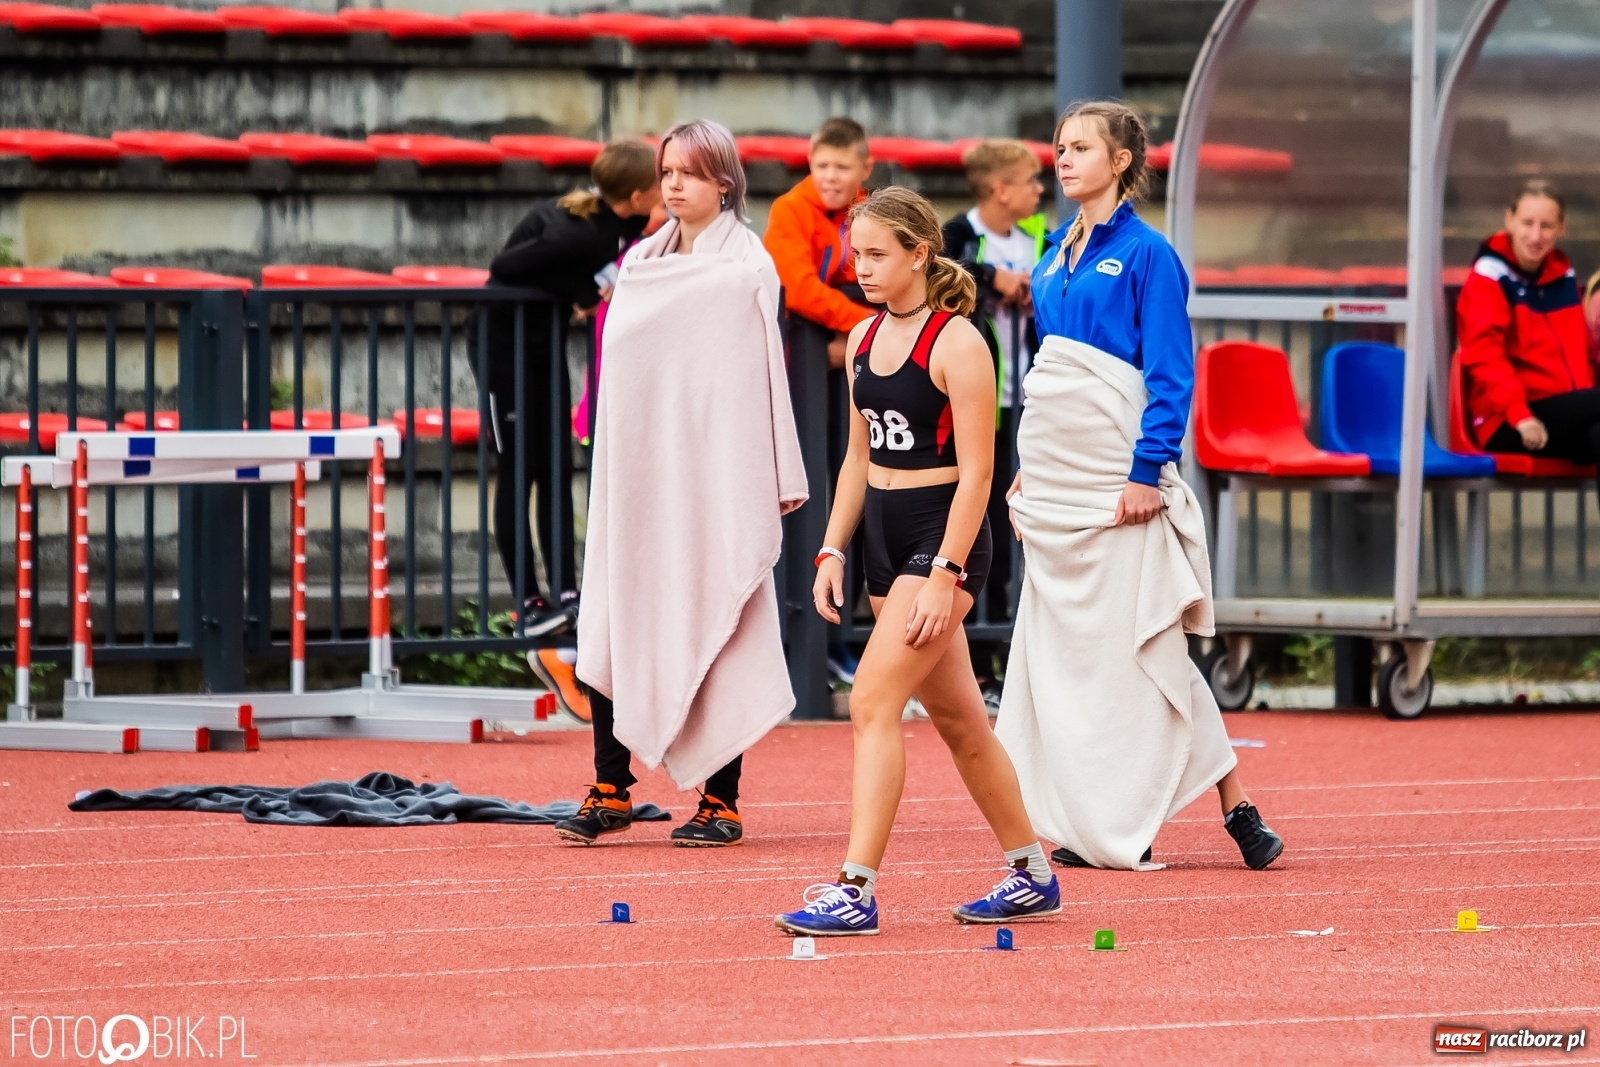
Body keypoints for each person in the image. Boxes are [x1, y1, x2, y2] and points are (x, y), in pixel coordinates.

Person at [997, 99, 1284, 873]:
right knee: (1076, 655)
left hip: (1118, 476)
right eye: (1060, 147)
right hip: (1060, 481)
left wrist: (1146, 469)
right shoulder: (1052, 251)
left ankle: (1237, 805)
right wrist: (1032, 465)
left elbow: (1169, 371)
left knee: (1145, 641)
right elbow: (1051, 376)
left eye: (1081, 147)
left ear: (1120, 161)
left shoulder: (1149, 254)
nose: (1063, 159)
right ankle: (1116, 816)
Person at [774, 186, 1061, 937]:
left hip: (942, 536)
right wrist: (831, 547)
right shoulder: (863, 339)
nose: (861, 268)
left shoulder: (959, 342)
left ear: (919, 255)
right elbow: (857, 457)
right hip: (881, 536)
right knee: (963, 722)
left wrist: (945, 573)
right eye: (856, 254)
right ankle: (1033, 874)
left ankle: (855, 888)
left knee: (871, 701)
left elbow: (979, 473)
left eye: (876, 255)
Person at [558, 119, 808, 849]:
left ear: (724, 183)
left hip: (713, 480)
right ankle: (610, 787)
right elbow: (628, 377)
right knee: (615, 613)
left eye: (689, 173)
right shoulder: (639, 265)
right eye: (667, 171)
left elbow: (748, 385)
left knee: (720, 616)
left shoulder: (746, 270)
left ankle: (720, 801)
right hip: (640, 478)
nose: (672, 184)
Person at [483, 140, 661, 648]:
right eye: (660, 182)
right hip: (505, 347)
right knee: (520, 468)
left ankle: (565, 591)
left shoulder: (621, 221)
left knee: (557, 467)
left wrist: (583, 290)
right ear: (636, 195)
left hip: (545, 345)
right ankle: (527, 603)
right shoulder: (575, 230)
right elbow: (505, 267)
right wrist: (580, 291)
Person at [765, 117, 879, 685]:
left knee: (854, 495)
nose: (830, 177)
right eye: (821, 166)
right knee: (804, 497)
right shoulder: (791, 210)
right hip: (797, 377)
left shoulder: (867, 208)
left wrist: (857, 335)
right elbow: (799, 286)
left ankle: (837, 635)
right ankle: (802, 636)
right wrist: (866, 325)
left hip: (843, 372)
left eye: (841, 167)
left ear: (864, 169)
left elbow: (875, 267)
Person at [942, 139, 1049, 696]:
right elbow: (938, 268)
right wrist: (990, 278)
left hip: (1028, 399)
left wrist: (1034, 295)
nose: (1040, 190)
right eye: (1031, 181)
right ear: (1000, 189)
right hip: (977, 401)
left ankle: (1016, 658)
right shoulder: (961, 233)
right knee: (975, 525)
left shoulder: (1039, 239)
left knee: (1016, 530)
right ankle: (976, 661)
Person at [1458, 179, 1600, 488]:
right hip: (1509, 421)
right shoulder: (1489, 278)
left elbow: (1584, 352)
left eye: (1546, 226)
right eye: (1527, 223)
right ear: (1509, 220)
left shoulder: (1563, 277)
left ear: (1561, 228)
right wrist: (1519, 414)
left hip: (1566, 415)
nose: (1535, 236)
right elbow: (1483, 356)